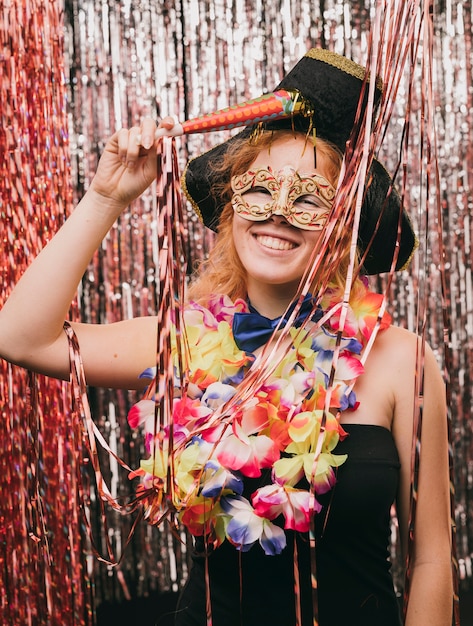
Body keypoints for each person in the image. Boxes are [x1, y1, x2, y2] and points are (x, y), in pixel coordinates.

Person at [0, 48, 453, 625]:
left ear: (341, 226)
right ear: (231, 204)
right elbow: (20, 338)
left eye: (310, 200)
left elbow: (433, 556)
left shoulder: (398, 361)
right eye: (261, 189)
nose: (278, 214)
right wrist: (107, 197)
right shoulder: (183, 343)